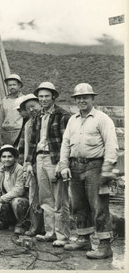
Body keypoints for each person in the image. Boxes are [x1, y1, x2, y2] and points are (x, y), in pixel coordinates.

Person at [60, 83, 119, 259]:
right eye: (78, 98)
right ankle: (83, 238)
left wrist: (107, 169)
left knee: (99, 206)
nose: (81, 100)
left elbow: (111, 145)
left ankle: (104, 245)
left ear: (92, 98)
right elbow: (65, 143)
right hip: (75, 166)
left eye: (85, 97)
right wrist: (63, 165)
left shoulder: (102, 119)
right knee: (78, 205)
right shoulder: (72, 120)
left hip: (96, 167)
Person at [28, 82, 71, 247]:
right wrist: (29, 162)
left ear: (54, 96)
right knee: (45, 199)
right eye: (41, 96)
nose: (43, 99)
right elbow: (33, 141)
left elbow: (66, 142)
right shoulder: (38, 116)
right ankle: (50, 232)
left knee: (60, 199)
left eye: (47, 96)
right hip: (40, 159)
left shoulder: (63, 115)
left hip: (55, 159)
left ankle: (62, 236)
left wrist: (63, 162)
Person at [0, 144, 29, 235]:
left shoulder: (20, 169)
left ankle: (21, 224)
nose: (7, 159)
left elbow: (19, 190)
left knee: (17, 202)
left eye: (10, 156)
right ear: (0, 158)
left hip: (21, 199)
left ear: (15, 158)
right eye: (4, 157)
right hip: (7, 199)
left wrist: (1, 200)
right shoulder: (1, 170)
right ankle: (5, 222)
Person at [20, 94, 44, 237]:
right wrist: (25, 165)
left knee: (45, 197)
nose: (31, 110)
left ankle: (46, 228)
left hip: (43, 162)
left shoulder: (44, 120)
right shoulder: (28, 123)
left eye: (33, 106)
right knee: (33, 196)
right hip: (31, 164)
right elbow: (24, 147)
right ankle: (35, 227)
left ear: (40, 105)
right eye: (28, 108)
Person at [0, 74, 25, 145]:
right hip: (6, 132)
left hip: (19, 132)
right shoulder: (5, 100)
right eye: (9, 85)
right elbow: (1, 117)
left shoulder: (24, 99)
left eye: (14, 85)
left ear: (19, 85)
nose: (12, 87)